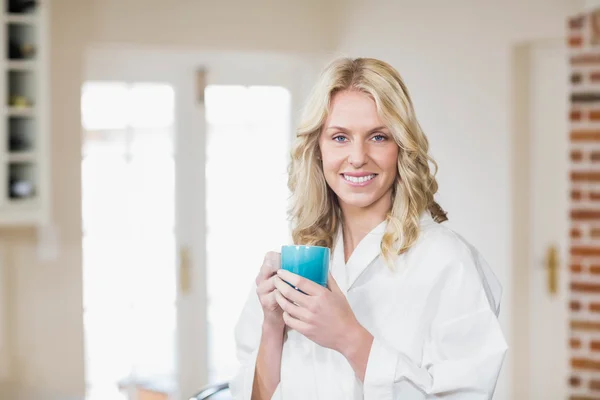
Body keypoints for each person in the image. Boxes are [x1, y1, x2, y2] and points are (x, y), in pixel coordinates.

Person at [229, 57, 508, 400]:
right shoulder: (302, 258)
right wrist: (273, 325)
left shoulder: (448, 262)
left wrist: (349, 336)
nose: (358, 157)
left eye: (378, 136)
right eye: (340, 137)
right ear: (317, 149)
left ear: (401, 147)